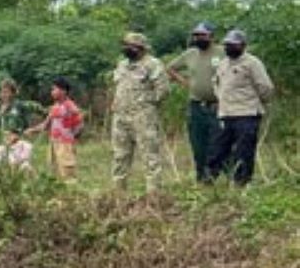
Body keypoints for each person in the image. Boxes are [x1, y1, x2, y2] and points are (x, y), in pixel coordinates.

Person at [209, 29, 276, 186]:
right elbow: (216, 83)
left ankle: (242, 182)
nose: (229, 48)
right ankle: (209, 179)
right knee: (218, 149)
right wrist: (221, 98)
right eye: (227, 45)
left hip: (247, 113)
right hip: (225, 113)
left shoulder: (252, 63)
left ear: (243, 45)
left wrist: (255, 102)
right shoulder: (223, 63)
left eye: (233, 45)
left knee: (244, 151)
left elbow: (265, 87)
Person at [110, 31, 170, 192]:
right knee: (119, 156)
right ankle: (118, 194)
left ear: (141, 48)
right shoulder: (122, 64)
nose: (126, 48)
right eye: (125, 45)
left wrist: (146, 104)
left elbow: (163, 90)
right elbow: (118, 86)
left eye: (131, 46)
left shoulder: (153, 64)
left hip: (143, 117)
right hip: (120, 117)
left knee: (150, 157)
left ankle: (153, 196)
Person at [167, 23, 222, 179]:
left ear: (211, 36)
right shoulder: (190, 54)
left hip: (218, 105)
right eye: (196, 35)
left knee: (217, 143)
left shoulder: (222, 52)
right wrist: (185, 82)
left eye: (203, 35)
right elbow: (170, 68)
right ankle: (202, 177)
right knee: (198, 144)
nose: (199, 38)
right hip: (197, 106)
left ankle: (216, 174)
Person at [25, 78, 84, 181]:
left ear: (63, 91)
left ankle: (71, 191)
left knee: (67, 170)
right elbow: (46, 124)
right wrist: (32, 130)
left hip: (65, 143)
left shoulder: (70, 106)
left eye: (54, 89)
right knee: (54, 170)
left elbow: (79, 123)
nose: (52, 92)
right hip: (53, 142)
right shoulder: (54, 107)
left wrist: (73, 137)